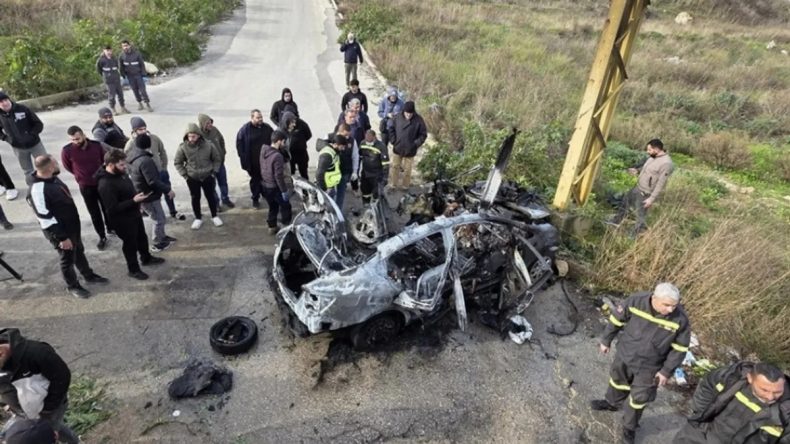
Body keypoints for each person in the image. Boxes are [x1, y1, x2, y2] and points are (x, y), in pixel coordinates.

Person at [591, 282, 691, 444]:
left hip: (651, 366)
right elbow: (617, 320)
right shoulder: (636, 301)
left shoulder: (680, 320)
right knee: (617, 382)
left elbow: (680, 349)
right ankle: (612, 403)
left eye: (674, 306)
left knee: (640, 398)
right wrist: (606, 340)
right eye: (667, 305)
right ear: (654, 298)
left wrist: (666, 371)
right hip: (626, 354)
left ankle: (629, 427)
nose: (671, 309)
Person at [27, 155, 108, 298]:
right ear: (50, 167)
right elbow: (44, 218)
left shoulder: (51, 177)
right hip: (61, 233)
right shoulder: (38, 190)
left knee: (79, 251)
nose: (58, 165)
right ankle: (72, 286)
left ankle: (88, 275)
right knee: (67, 259)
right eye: (55, 163)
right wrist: (62, 238)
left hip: (71, 227)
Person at [673, 361, 789, 443]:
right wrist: (700, 412)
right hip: (700, 435)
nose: (770, 397)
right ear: (750, 378)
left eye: (777, 392)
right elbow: (707, 384)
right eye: (764, 390)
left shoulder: (786, 411)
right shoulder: (732, 377)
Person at [0, 328, 79, 444]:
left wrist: (48, 408)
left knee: (49, 428)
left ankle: (72, 441)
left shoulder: (37, 353)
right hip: (21, 410)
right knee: (27, 433)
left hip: (48, 408)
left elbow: (61, 377)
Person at [96, 149, 164, 280]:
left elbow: (129, 189)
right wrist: (133, 201)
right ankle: (133, 269)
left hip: (133, 213)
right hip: (122, 220)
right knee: (130, 244)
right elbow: (112, 209)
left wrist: (136, 203)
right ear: (110, 165)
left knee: (142, 237)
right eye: (121, 165)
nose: (125, 167)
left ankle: (146, 258)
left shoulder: (120, 173)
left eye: (124, 164)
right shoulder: (105, 184)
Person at [124, 117, 186, 220]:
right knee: (151, 198)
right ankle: (154, 215)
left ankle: (173, 211)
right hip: (146, 176)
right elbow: (127, 160)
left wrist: (164, 167)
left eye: (144, 128)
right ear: (134, 131)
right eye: (140, 129)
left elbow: (162, 152)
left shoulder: (154, 138)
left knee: (167, 191)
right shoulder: (130, 144)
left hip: (160, 172)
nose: (143, 131)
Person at [608, 139, 674, 235]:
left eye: (649, 149)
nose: (648, 152)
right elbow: (648, 169)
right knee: (625, 203)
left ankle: (634, 235)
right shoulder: (652, 156)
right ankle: (616, 221)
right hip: (637, 187)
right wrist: (637, 171)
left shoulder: (666, 164)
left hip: (646, 193)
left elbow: (661, 184)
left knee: (640, 216)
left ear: (656, 149)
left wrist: (651, 199)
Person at [61, 126, 111, 250]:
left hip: (101, 183)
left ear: (83, 135)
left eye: (78, 138)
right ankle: (101, 235)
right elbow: (68, 166)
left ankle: (111, 227)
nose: (76, 141)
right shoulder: (67, 151)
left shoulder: (96, 146)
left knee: (107, 207)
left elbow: (105, 161)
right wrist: (80, 176)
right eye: (73, 140)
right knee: (94, 212)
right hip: (86, 186)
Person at [127, 134, 177, 253]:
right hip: (149, 195)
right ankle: (157, 242)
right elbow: (153, 181)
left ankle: (162, 236)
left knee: (159, 217)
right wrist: (167, 189)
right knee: (158, 219)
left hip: (143, 192)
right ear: (148, 145)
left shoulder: (133, 156)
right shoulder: (145, 161)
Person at [174, 123, 223, 230]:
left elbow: (216, 159)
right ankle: (198, 218)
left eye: (194, 136)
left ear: (199, 135)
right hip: (192, 177)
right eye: (189, 136)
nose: (191, 138)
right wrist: (185, 175)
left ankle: (214, 216)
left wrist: (214, 172)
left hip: (207, 176)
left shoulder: (209, 145)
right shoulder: (183, 148)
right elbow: (178, 162)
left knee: (210, 196)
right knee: (195, 198)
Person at [0, 91, 47, 187]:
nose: (4, 103)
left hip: (35, 145)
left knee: (45, 165)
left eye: (5, 100)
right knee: (28, 171)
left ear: (9, 99)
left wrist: (32, 135)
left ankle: (50, 185)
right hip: (18, 149)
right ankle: (33, 188)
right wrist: (7, 139)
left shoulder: (22, 109)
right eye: (1, 102)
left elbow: (38, 124)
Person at [236, 109, 273, 209]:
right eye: (258, 117)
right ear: (252, 118)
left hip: (265, 161)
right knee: (255, 181)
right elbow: (239, 145)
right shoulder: (245, 130)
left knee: (266, 179)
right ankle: (255, 199)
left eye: (261, 117)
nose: (260, 119)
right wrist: (243, 159)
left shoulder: (267, 128)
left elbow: (273, 141)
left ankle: (265, 194)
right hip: (253, 163)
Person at [198, 113, 234, 209]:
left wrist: (223, 152)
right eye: (207, 123)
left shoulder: (214, 130)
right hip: (209, 167)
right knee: (211, 186)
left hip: (220, 163)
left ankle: (225, 199)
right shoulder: (199, 136)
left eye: (210, 123)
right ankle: (216, 203)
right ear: (202, 124)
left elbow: (221, 140)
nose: (210, 125)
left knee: (223, 182)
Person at [260, 131, 292, 234]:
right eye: (283, 142)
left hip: (265, 185)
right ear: (279, 141)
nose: (284, 144)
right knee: (286, 206)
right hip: (275, 187)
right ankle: (286, 230)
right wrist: (284, 190)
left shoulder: (264, 150)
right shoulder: (277, 156)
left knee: (273, 207)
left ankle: (272, 226)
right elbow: (278, 176)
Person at [390, 101, 427, 191]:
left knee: (407, 170)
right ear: (404, 111)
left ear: (413, 112)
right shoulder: (397, 117)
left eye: (411, 113)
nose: (409, 115)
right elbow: (391, 129)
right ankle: (393, 185)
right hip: (398, 147)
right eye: (407, 113)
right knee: (395, 167)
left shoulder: (419, 120)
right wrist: (393, 140)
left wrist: (415, 144)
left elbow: (423, 135)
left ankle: (405, 186)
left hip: (410, 150)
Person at [330, 121, 359, 210]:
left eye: (349, 135)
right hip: (331, 173)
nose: (347, 137)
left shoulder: (352, 141)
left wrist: (355, 171)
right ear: (340, 131)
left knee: (340, 193)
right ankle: (330, 211)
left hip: (344, 171)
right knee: (330, 194)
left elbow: (355, 156)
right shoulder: (330, 138)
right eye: (345, 135)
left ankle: (338, 212)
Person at [278, 109, 312, 179]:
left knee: (304, 173)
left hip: (301, 154)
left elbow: (308, 135)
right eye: (292, 122)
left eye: (294, 122)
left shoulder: (302, 124)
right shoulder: (280, 131)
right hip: (289, 158)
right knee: (291, 175)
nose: (294, 124)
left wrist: (301, 143)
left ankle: (305, 189)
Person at [119, 40, 153, 112]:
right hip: (130, 76)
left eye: (126, 45)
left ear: (129, 45)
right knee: (135, 90)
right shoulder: (121, 56)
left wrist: (144, 74)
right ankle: (140, 103)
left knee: (143, 90)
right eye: (123, 46)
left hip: (138, 75)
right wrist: (123, 75)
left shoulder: (137, 54)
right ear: (122, 47)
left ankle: (147, 104)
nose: (125, 47)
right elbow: (121, 67)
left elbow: (142, 64)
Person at [95, 45, 128, 115]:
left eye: (110, 50)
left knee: (121, 94)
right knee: (112, 96)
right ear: (104, 51)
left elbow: (116, 67)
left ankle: (123, 107)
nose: (109, 52)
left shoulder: (114, 58)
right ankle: (113, 109)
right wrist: (105, 76)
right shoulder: (101, 60)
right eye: (107, 51)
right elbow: (99, 69)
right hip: (109, 81)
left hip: (116, 79)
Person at [359, 130, 389, 204]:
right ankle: (366, 204)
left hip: (377, 174)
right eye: (367, 140)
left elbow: (385, 164)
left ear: (374, 137)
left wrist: (385, 177)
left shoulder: (381, 146)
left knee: (377, 193)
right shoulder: (362, 143)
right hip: (365, 173)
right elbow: (360, 156)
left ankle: (377, 207)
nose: (368, 143)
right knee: (365, 191)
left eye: (370, 141)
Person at [315, 134, 347, 198]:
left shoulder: (333, 151)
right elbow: (319, 174)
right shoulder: (327, 155)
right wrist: (324, 190)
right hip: (326, 187)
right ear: (335, 144)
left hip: (330, 185)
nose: (343, 149)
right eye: (342, 146)